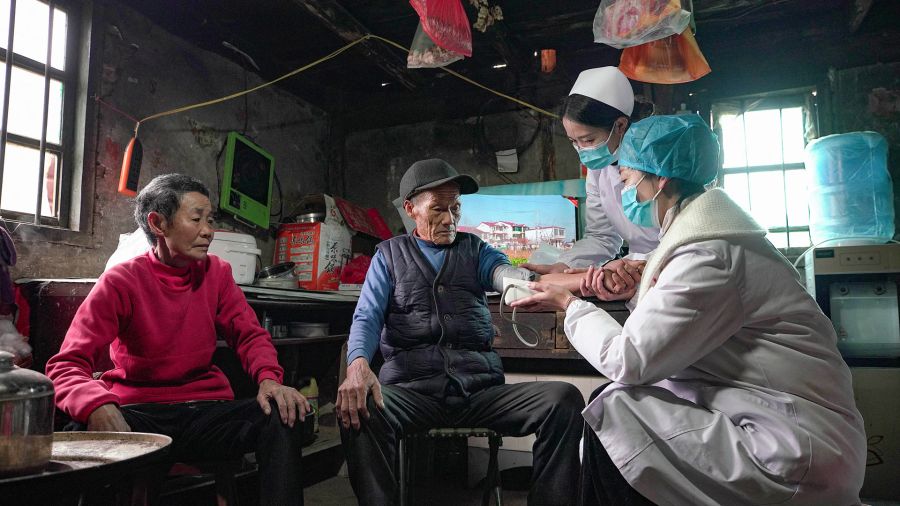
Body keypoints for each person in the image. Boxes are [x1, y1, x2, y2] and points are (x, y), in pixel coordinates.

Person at [512, 115, 867, 506]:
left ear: (660, 180)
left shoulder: (709, 255)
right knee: (622, 408)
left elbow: (630, 359)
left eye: (628, 180)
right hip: (774, 418)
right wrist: (637, 289)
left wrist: (569, 304)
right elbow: (684, 319)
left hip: (791, 444)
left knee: (614, 411)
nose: (625, 192)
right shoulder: (710, 238)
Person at [46, 174, 310, 506]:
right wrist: (95, 404)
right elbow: (66, 364)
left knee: (282, 415)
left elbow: (250, 335)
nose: (209, 231)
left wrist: (270, 379)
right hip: (141, 415)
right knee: (76, 430)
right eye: (197, 218)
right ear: (158, 223)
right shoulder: (121, 281)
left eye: (209, 219)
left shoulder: (217, 273)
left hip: (205, 413)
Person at [338, 159, 585, 506]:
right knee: (358, 405)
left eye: (455, 208)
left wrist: (518, 282)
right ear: (411, 210)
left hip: (479, 393)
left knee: (564, 400)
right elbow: (366, 316)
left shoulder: (475, 249)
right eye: (438, 209)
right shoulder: (389, 256)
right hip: (413, 393)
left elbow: (499, 271)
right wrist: (358, 365)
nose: (449, 219)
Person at [524, 66, 657, 297]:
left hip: (671, 265)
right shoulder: (599, 171)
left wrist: (618, 269)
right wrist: (565, 267)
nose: (581, 151)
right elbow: (601, 236)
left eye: (588, 140)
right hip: (636, 274)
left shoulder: (659, 162)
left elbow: (681, 235)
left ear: (620, 125)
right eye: (573, 141)